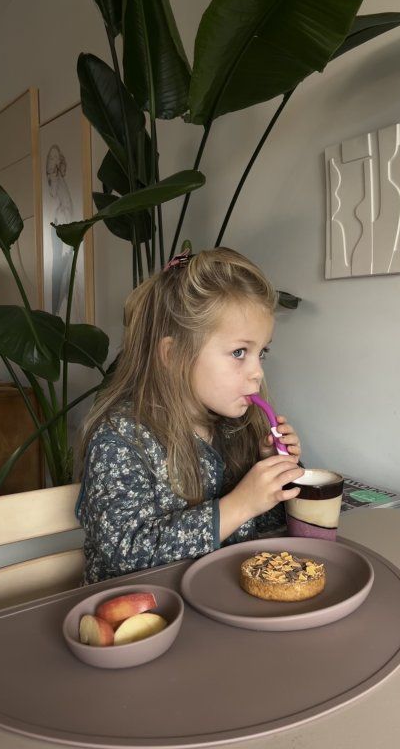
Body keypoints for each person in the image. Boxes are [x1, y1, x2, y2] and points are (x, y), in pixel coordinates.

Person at [75, 247, 304, 585]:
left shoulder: (239, 427)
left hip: (220, 592)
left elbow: (270, 528)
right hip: (142, 607)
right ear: (173, 354)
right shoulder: (120, 440)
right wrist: (239, 505)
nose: (257, 372)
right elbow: (125, 552)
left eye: (262, 352)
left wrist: (273, 469)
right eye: (239, 352)